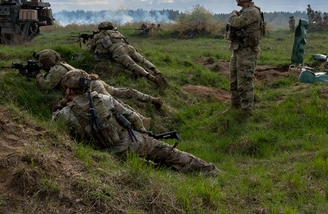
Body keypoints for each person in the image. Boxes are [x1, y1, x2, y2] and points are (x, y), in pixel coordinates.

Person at [52, 70, 217, 174]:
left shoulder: (64, 115)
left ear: (67, 89)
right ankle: (209, 171)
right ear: (87, 86)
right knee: (169, 153)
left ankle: (156, 169)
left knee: (144, 162)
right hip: (131, 142)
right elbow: (133, 117)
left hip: (104, 157)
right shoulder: (105, 99)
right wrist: (144, 134)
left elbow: (59, 141)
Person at [33, 49, 163, 114]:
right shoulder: (63, 65)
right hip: (94, 82)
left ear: (46, 62)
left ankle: (137, 118)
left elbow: (46, 85)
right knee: (123, 92)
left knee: (115, 105)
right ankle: (153, 100)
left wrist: (37, 75)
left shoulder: (56, 70)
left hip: (91, 88)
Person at [87, 22, 167, 86]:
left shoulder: (99, 35)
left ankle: (153, 79)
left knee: (132, 65)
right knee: (142, 59)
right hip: (128, 47)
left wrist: (89, 41)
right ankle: (157, 71)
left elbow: (90, 49)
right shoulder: (117, 33)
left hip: (118, 51)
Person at [226, 0, 265, 112]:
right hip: (238, 50)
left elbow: (237, 23)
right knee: (234, 81)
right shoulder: (244, 11)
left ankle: (246, 111)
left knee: (244, 82)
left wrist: (232, 15)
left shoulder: (251, 12)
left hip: (247, 52)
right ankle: (235, 107)